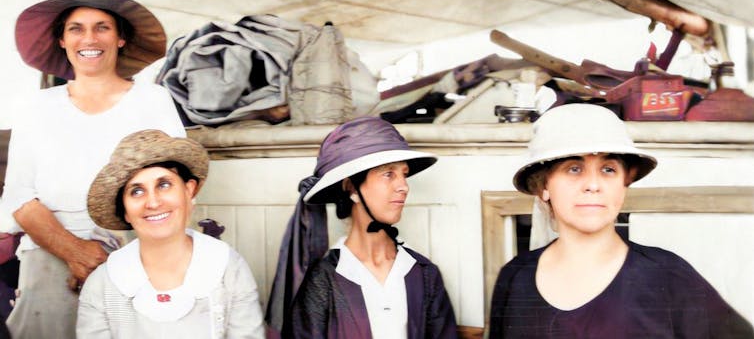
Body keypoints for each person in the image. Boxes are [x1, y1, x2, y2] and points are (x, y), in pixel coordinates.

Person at [0, 0, 185, 338]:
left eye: (102, 27)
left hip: (139, 248)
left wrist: (117, 252)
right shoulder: (37, 108)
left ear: (120, 37)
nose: (89, 39)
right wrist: (74, 252)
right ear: (62, 39)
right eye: (76, 29)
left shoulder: (153, 100)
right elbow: (20, 197)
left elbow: (174, 185)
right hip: (49, 249)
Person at [488, 104, 753, 338]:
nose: (593, 185)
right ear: (543, 186)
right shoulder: (515, 278)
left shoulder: (667, 276)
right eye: (574, 168)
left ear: (623, 184)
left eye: (608, 170)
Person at [266, 116, 458, 338]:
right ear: (352, 188)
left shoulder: (423, 274)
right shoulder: (322, 281)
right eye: (388, 174)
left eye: (404, 175)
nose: (403, 186)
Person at [78, 129, 265, 338]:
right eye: (136, 191)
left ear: (188, 191)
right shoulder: (103, 284)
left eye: (164, 185)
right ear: (125, 211)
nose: (154, 202)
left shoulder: (228, 269)